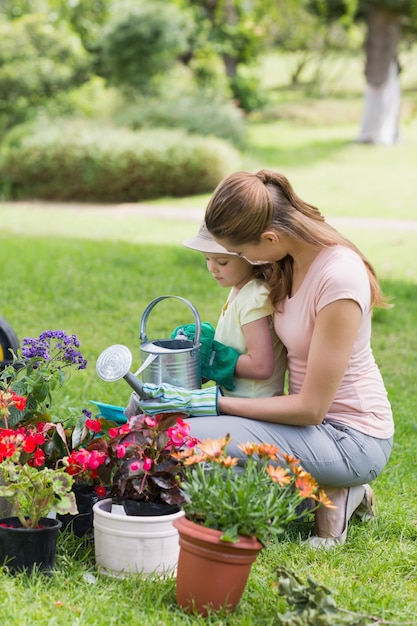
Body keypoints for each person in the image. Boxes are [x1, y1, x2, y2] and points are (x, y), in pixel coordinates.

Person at [134, 169, 394, 549]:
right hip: (305, 430)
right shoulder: (287, 259)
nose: (241, 261)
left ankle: (338, 488)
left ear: (268, 238)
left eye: (241, 252)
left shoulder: (339, 280)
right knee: (167, 431)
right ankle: (329, 493)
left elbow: (311, 409)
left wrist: (210, 405)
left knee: (179, 441)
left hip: (350, 437)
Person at [173, 220, 287, 398]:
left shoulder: (254, 297)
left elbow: (262, 366)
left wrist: (213, 358)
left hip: (255, 408)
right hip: (235, 402)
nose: (212, 268)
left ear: (248, 256)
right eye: (207, 259)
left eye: (222, 262)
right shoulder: (239, 289)